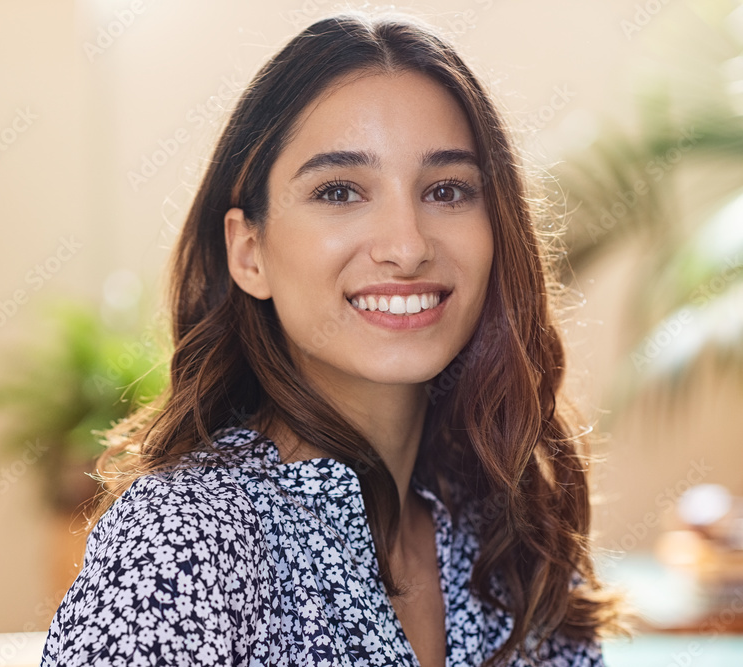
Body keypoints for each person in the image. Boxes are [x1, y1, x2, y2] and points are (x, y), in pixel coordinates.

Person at [40, 11, 623, 667]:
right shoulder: (182, 542)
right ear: (249, 250)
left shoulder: (513, 535)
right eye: (340, 190)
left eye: (447, 189)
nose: (407, 246)